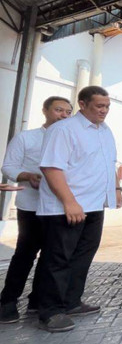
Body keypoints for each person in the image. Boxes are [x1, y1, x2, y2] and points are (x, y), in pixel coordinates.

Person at [36, 86, 122, 333]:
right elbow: (52, 168)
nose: (104, 111)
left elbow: (109, 163)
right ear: (82, 104)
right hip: (65, 207)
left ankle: (71, 302)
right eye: (99, 106)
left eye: (107, 107)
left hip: (95, 206)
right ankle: (50, 312)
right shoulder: (63, 130)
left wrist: (116, 189)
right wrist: (69, 202)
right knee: (58, 259)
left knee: (83, 256)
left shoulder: (105, 131)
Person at [0, 97, 72, 324]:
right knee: (25, 254)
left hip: (58, 207)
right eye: (58, 110)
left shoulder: (70, 140)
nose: (63, 115)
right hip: (31, 206)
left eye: (68, 112)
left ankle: (37, 300)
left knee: (51, 257)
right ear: (45, 111)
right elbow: (8, 166)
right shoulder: (26, 137)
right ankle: (7, 302)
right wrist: (28, 176)